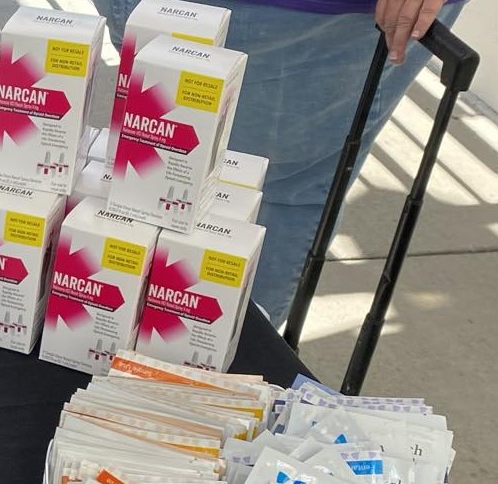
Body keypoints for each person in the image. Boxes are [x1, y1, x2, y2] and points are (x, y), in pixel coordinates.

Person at [93, 0, 463, 326]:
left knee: (220, 193)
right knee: (146, 174)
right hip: (290, 22)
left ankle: (199, 361)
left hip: (301, 22)